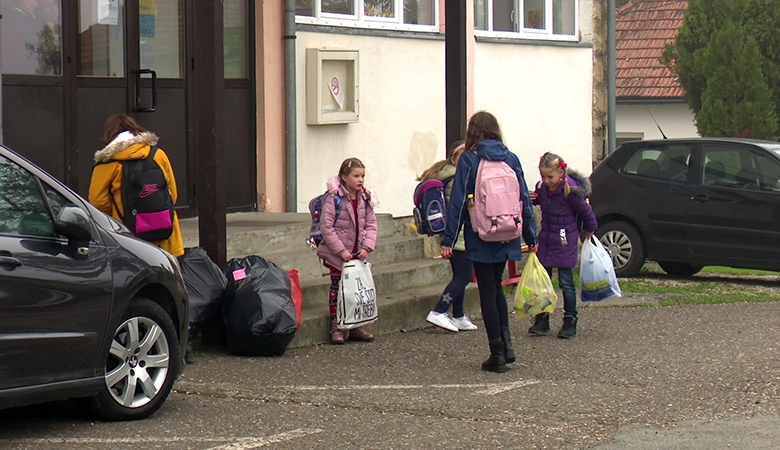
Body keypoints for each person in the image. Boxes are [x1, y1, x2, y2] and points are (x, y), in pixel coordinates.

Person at [441, 111, 538, 373]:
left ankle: (496, 352)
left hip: (481, 233)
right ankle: (507, 347)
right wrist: (531, 235)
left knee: (487, 290)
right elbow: (524, 200)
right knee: (497, 287)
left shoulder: (469, 160)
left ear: (472, 132)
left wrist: (449, 238)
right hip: (508, 232)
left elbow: (459, 203)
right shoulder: (511, 158)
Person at [88, 115, 189, 359]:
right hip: (167, 238)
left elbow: (96, 202)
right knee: (175, 295)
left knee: (134, 296)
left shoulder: (108, 162)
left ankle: (138, 345)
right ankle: (184, 348)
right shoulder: (157, 154)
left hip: (131, 241)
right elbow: (172, 194)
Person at [528, 152, 598, 339]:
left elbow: (586, 211)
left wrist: (590, 229)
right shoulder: (543, 189)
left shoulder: (570, 191)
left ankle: (570, 319)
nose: (546, 180)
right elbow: (543, 203)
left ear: (561, 173)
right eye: (543, 176)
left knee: (566, 283)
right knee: (543, 282)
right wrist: (534, 198)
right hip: (547, 240)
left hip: (564, 240)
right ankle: (542, 319)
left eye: (550, 177)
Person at [317, 157, 379, 345]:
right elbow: (327, 227)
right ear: (344, 177)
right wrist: (340, 251)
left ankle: (355, 325)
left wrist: (366, 247)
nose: (360, 180)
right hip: (338, 254)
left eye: (363, 176)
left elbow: (371, 224)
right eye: (356, 176)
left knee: (356, 290)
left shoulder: (365, 198)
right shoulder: (333, 198)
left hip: (357, 253)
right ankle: (336, 326)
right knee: (338, 289)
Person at [419, 141, 478, 333]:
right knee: (464, 276)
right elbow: (459, 210)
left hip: (453, 235)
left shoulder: (447, 173)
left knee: (460, 275)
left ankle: (459, 315)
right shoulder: (454, 179)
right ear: (454, 159)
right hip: (459, 235)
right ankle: (439, 310)